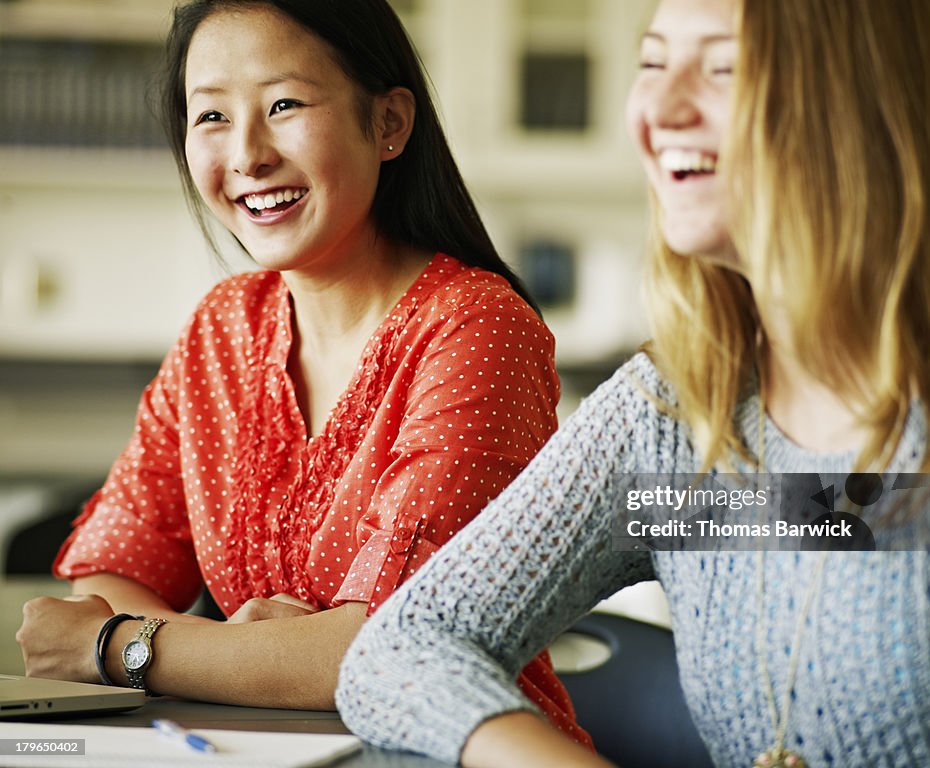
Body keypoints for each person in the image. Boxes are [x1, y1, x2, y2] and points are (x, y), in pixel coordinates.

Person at [337, 0, 930, 765]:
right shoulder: (672, 416)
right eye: (654, 63)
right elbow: (402, 644)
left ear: (868, 104)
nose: (658, 109)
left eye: (723, 68)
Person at [15, 0, 590, 745]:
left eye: (283, 104)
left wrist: (122, 650)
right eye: (212, 117)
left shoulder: (476, 327)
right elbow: (106, 580)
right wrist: (264, 656)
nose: (247, 155)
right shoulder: (223, 328)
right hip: (254, 747)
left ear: (389, 124)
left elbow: (391, 650)